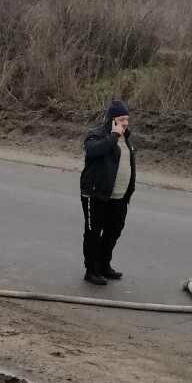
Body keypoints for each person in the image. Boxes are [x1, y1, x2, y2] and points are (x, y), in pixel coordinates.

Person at [80, 97, 135, 286]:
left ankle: (104, 265)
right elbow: (93, 151)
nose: (125, 123)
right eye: (121, 119)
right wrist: (113, 136)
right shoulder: (96, 134)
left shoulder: (127, 138)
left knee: (113, 231)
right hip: (95, 194)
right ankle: (91, 270)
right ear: (112, 120)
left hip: (118, 196)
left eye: (127, 119)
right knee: (93, 233)